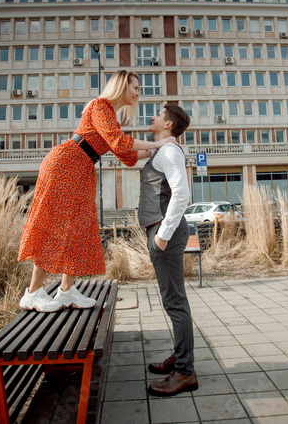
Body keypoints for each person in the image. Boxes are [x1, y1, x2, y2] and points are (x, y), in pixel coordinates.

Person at [18, 70, 175, 313]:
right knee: (57, 226)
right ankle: (33, 292)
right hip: (66, 164)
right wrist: (157, 143)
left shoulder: (110, 115)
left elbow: (127, 155)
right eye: (135, 87)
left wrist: (161, 149)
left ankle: (67, 290)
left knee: (77, 228)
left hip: (81, 169)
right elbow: (119, 142)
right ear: (122, 86)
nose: (138, 93)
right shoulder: (101, 106)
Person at [138, 103, 198, 397]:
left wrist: (162, 235)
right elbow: (126, 152)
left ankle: (186, 372)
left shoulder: (171, 152)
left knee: (175, 302)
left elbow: (182, 193)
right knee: (172, 299)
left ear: (169, 124)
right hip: (162, 229)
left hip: (166, 232)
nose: (152, 117)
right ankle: (179, 357)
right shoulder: (162, 149)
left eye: (158, 115)